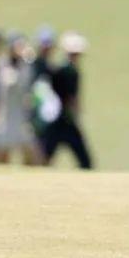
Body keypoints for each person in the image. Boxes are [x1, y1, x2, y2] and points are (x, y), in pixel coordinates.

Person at [0, 33, 43, 165]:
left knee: (33, 157)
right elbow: (10, 82)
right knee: (1, 158)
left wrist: (26, 61)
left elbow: (27, 85)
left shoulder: (25, 65)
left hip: (21, 118)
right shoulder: (3, 64)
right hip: (6, 119)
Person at [41, 32, 94, 169]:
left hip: (57, 120)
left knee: (46, 158)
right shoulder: (70, 72)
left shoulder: (58, 70)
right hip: (63, 120)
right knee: (85, 161)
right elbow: (72, 98)